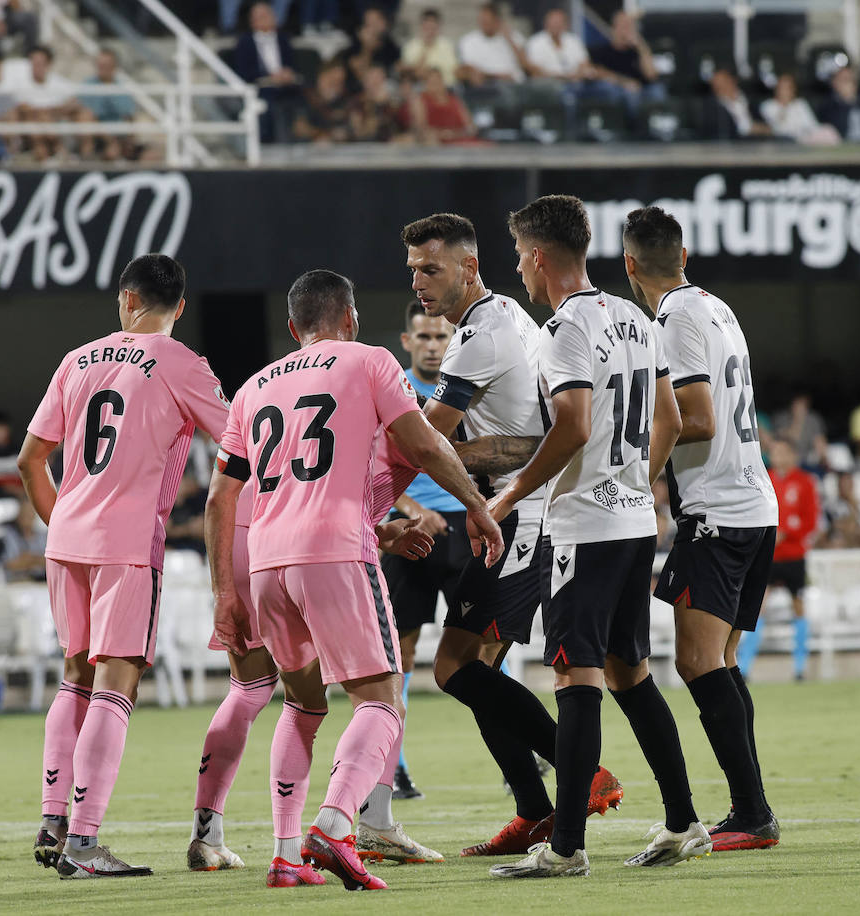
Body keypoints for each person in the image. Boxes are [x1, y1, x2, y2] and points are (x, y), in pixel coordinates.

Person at [207, 268, 503, 891]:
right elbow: (422, 446)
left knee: (303, 705)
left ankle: (287, 856)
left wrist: (225, 593)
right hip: (335, 552)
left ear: (293, 329)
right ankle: (338, 822)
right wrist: (476, 505)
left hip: (265, 560)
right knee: (381, 700)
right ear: (351, 318)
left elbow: (220, 501)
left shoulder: (254, 387)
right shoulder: (369, 361)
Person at [488, 196, 706, 878]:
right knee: (628, 672)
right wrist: (634, 480)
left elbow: (575, 426)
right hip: (634, 520)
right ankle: (684, 821)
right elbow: (668, 415)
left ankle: (566, 847)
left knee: (573, 674)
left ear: (538, 257)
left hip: (583, 528)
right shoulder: (635, 318)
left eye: (520, 255)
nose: (518, 268)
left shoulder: (566, 328)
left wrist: (513, 493)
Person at [403, 212, 624, 857]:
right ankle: (535, 809)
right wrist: (492, 455)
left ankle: (580, 773)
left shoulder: (483, 338)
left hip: (520, 522)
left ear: (470, 265)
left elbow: (428, 438)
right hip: (516, 512)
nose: (420, 281)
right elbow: (513, 435)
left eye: (432, 268)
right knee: (480, 672)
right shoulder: (502, 318)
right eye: (414, 269)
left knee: (454, 669)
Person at [18, 254, 233, 878]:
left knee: (74, 675)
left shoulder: (77, 358)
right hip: (129, 542)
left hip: (68, 538)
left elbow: (31, 462)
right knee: (117, 681)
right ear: (181, 307)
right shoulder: (185, 366)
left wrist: (64, 523)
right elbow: (243, 440)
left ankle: (55, 820)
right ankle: (84, 846)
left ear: (125, 299)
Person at [622, 205, 780, 851]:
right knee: (721, 663)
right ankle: (752, 808)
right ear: (682, 257)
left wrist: (635, 461)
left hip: (717, 510)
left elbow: (699, 417)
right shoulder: (716, 307)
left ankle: (752, 813)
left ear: (630, 265)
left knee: (695, 662)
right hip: (754, 504)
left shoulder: (674, 317)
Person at [377, 300, 466, 799]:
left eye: (441, 337)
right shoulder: (395, 395)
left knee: (481, 648)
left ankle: (510, 756)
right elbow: (378, 462)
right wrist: (410, 506)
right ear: (408, 343)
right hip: (406, 530)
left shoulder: (467, 391)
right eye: (424, 338)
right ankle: (397, 765)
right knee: (399, 653)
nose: (433, 346)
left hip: (461, 528)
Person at [740, 438, 817, 680]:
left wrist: (787, 532)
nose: (777, 457)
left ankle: (800, 667)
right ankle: (744, 666)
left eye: (782, 452)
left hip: (794, 555)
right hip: (769, 555)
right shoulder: (763, 478)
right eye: (774, 452)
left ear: (793, 455)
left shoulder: (805, 482)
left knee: (799, 607)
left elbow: (811, 520)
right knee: (756, 607)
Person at [232, 2, 302, 141]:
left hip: (286, 86)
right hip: (261, 88)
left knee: (303, 95)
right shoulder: (244, 43)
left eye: (267, 15)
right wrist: (270, 78)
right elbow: (244, 73)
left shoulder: (284, 40)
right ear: (252, 21)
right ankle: (271, 143)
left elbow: (291, 64)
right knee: (268, 102)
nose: (266, 19)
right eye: (261, 16)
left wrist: (286, 74)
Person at [587, 9, 666, 113]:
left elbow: (651, 75)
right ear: (613, 28)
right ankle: (633, 127)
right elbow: (595, 72)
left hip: (642, 89)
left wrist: (641, 46)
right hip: (618, 89)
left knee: (658, 90)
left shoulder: (639, 51)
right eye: (623, 25)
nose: (626, 30)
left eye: (629, 26)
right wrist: (624, 82)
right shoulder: (601, 51)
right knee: (629, 94)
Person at [456, 2, 527, 96]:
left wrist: (509, 40)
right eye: (481, 21)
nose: (483, 24)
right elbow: (473, 74)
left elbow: (526, 66)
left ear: (497, 21)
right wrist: (497, 76)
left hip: (515, 86)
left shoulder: (514, 37)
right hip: (487, 86)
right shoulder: (468, 41)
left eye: (487, 21)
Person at [80, 49, 136, 161]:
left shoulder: (122, 88)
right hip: (95, 134)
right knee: (86, 117)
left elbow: (128, 117)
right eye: (100, 65)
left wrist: (128, 140)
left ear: (114, 66)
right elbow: (82, 109)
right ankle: (88, 158)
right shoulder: (87, 85)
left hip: (117, 134)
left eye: (106, 65)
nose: (102, 68)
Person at [408, 68, 476, 145]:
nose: (436, 85)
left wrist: (454, 134)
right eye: (432, 82)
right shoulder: (421, 101)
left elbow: (470, 127)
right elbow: (421, 129)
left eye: (438, 81)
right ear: (426, 84)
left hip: (460, 140)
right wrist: (442, 135)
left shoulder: (454, 101)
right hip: (436, 143)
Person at [293, 62, 355, 143]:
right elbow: (300, 129)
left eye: (340, 81)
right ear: (321, 77)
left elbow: (349, 131)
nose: (335, 84)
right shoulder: (305, 97)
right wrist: (325, 134)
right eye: (331, 79)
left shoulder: (346, 102)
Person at [759, 74, 830, 144]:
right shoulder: (768, 105)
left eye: (788, 88)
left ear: (794, 90)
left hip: (806, 138)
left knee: (828, 130)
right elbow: (777, 128)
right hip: (783, 141)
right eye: (782, 88)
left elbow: (813, 125)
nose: (785, 91)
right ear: (776, 89)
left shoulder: (801, 104)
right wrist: (785, 105)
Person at [818, 66, 860, 143]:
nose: (848, 84)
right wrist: (846, 101)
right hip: (844, 143)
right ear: (834, 83)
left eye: (850, 80)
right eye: (843, 80)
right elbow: (837, 130)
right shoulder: (827, 105)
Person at [398, 8, 457, 85]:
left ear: (439, 27)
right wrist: (425, 49)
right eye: (427, 28)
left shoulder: (447, 45)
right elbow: (412, 74)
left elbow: (454, 72)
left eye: (433, 28)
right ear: (421, 27)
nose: (430, 32)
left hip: (446, 88)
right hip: (420, 88)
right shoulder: (411, 46)